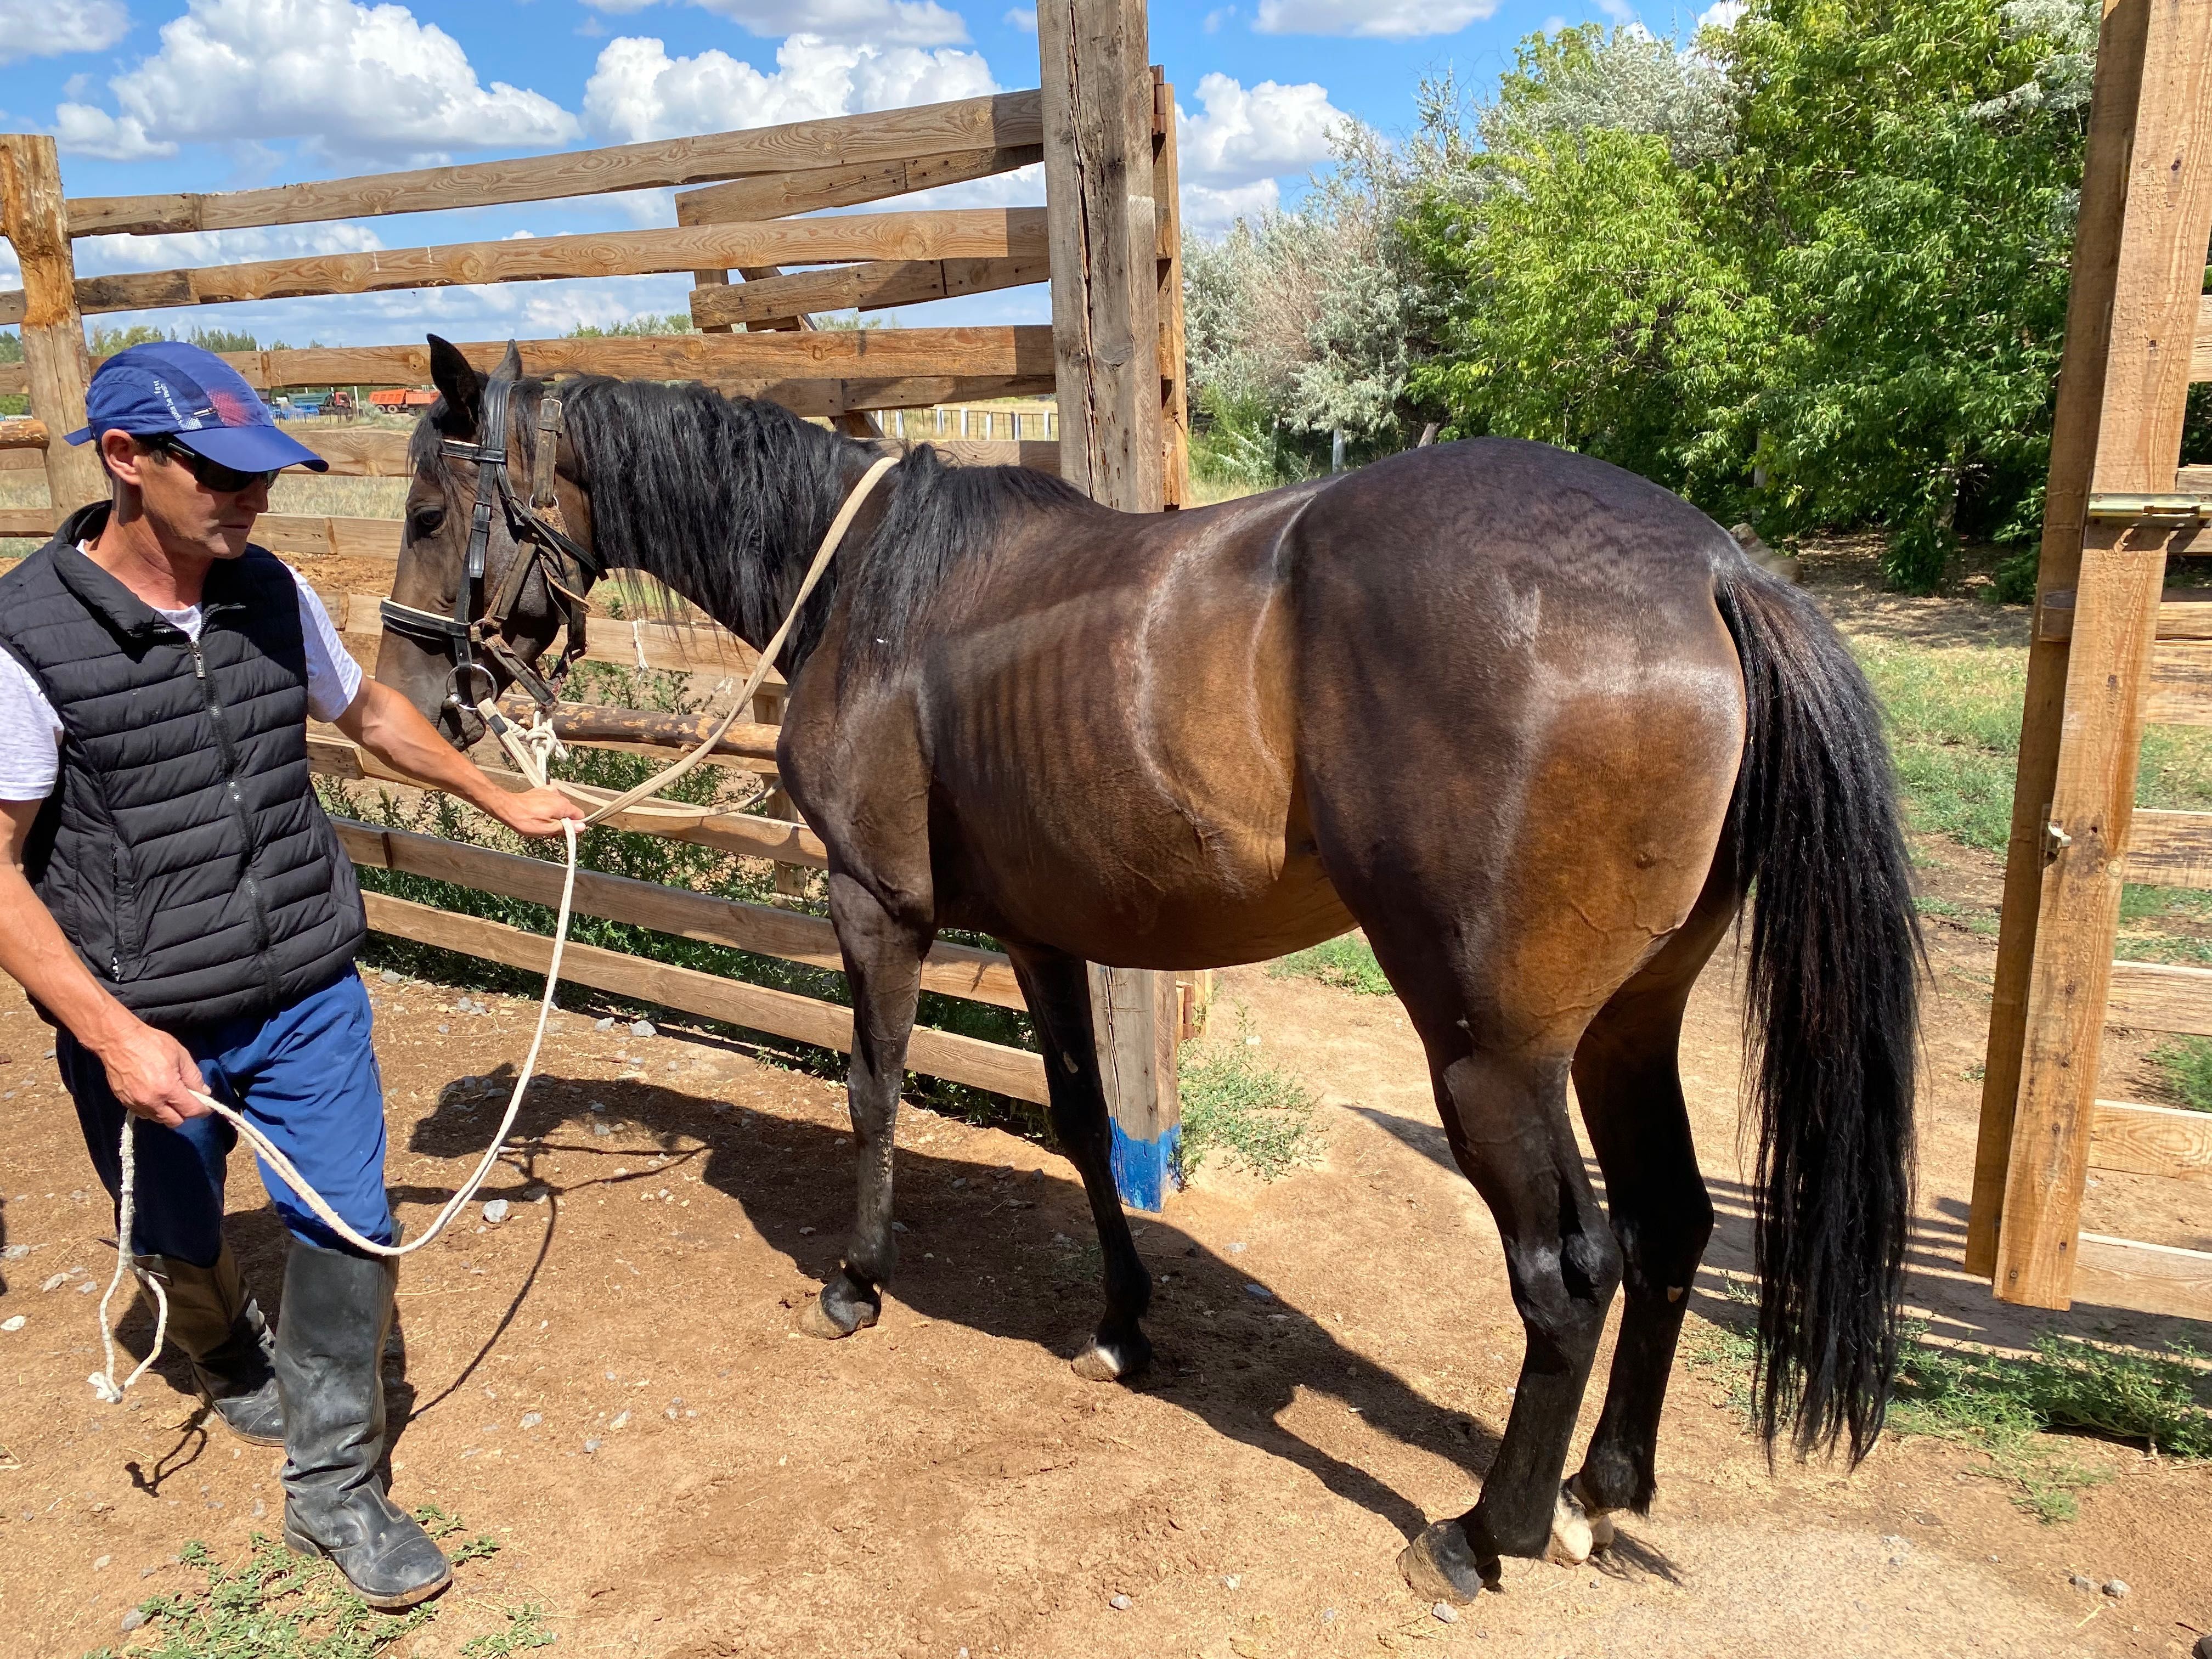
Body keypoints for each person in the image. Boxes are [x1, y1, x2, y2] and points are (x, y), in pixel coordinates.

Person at [0, 342, 583, 1610]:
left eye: (262, 476)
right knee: (175, 1230)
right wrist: (107, 1033)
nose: (248, 500)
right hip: (147, 1014)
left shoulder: (266, 589)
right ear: (126, 462)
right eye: (219, 475)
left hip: (306, 980)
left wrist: (498, 794)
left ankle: (336, 1490)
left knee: (349, 1221)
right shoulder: (25, 641)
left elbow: (366, 710)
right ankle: (217, 1345)